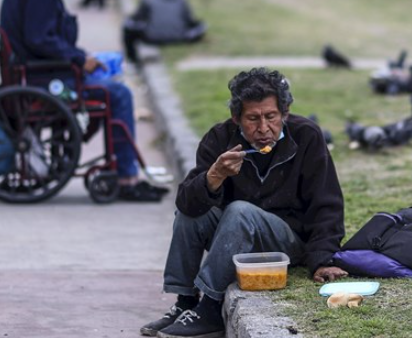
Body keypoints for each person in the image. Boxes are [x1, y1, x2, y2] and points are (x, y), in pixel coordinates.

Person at [140, 68, 348, 338]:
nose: (263, 128)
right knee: (192, 211)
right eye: (252, 119)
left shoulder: (306, 136)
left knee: (240, 211)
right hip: (234, 236)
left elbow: (327, 203)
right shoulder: (220, 139)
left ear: (284, 113)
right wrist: (214, 175)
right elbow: (187, 203)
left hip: (286, 240)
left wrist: (322, 259)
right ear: (236, 118)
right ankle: (185, 302)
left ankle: (211, 307)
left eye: (271, 117)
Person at [0, 0, 165, 201]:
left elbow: (41, 37)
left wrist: (80, 57)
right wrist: (79, 59)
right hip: (43, 79)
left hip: (36, 72)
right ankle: (125, 177)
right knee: (118, 94)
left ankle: (123, 169)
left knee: (110, 86)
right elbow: (39, 38)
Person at [122, 0, 206, 64]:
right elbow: (189, 20)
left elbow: (137, 19)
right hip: (180, 37)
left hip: (152, 37)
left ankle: (132, 60)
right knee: (201, 26)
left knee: (127, 26)